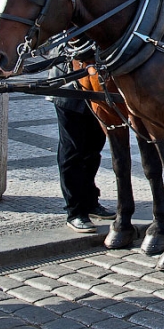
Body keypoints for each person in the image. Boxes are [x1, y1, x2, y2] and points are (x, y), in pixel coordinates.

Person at [49, 51, 116, 233]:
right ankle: (75, 211)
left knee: (94, 150)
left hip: (96, 91)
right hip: (69, 89)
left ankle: (90, 201)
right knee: (72, 152)